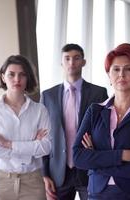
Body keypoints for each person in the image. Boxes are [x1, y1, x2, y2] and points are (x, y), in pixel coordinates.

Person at [73, 43, 130, 200]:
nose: (121, 74)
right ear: (109, 75)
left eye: (128, 69)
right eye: (116, 69)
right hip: (97, 194)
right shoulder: (95, 111)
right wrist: (122, 155)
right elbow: (78, 156)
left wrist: (96, 162)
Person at [41, 43, 108, 200]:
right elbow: (42, 137)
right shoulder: (48, 96)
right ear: (61, 62)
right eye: (67, 58)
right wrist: (44, 174)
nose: (72, 63)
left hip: (89, 169)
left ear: (83, 62)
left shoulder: (99, 93)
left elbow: (106, 130)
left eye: (77, 58)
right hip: (58, 173)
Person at [0, 55, 51, 200]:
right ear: (2, 77)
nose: (17, 79)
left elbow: (46, 147)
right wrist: (31, 147)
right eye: (11, 74)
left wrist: (6, 143)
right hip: (0, 183)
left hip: (33, 183)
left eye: (22, 74)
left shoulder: (40, 110)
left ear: (28, 78)